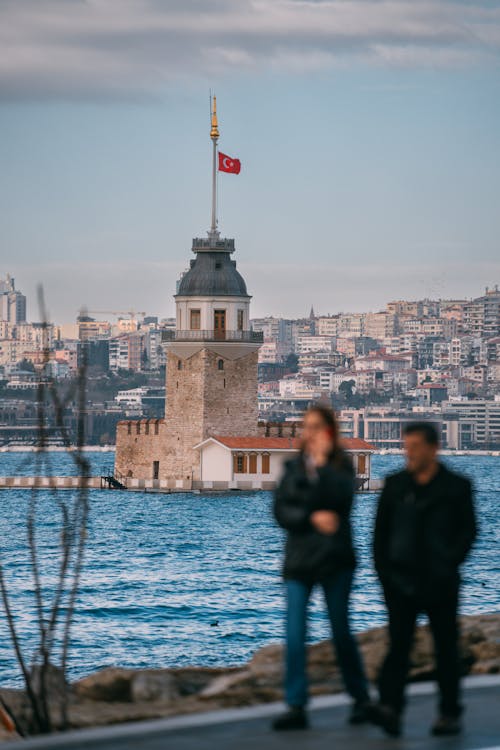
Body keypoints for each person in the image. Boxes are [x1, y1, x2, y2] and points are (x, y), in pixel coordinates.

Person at [368, 422, 476, 738]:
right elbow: (379, 536)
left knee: (445, 648)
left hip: (441, 581)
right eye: (406, 447)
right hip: (400, 580)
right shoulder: (395, 485)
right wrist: (385, 576)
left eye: (414, 447)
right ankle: (390, 707)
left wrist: (448, 563)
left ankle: (449, 713)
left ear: (433, 448)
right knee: (398, 646)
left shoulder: (457, 486)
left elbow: (468, 531)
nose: (409, 453)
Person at [271, 404, 370, 731]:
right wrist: (311, 517)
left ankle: (360, 698)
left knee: (340, 629)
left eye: (318, 427)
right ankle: (296, 704)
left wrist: (324, 467)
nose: (311, 433)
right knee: (296, 632)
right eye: (307, 426)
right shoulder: (293, 468)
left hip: (335, 559)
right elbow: (281, 511)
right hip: (299, 561)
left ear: (330, 432)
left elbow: (343, 502)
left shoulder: (341, 469)